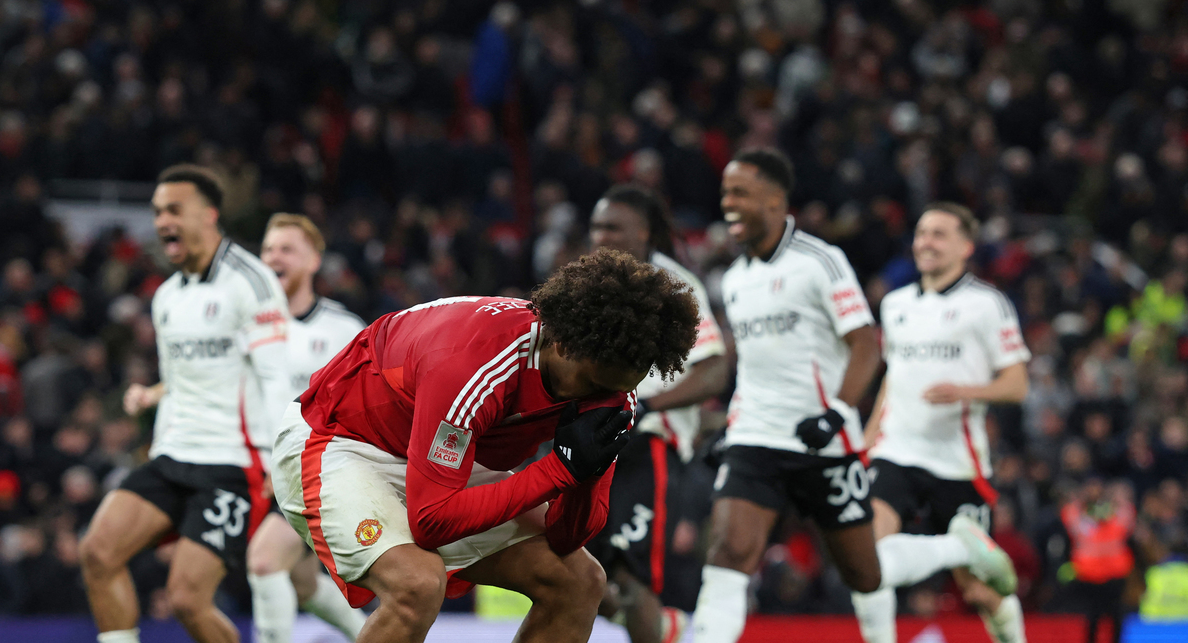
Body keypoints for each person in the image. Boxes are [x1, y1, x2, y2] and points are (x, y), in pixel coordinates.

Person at [272, 249, 701, 643]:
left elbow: (569, 536)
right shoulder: (475, 359)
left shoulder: (608, 385)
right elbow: (431, 521)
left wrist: (584, 478)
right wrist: (559, 472)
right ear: (562, 343)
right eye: (593, 385)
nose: (598, 401)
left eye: (621, 389)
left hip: (431, 454)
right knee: (417, 583)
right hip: (337, 440)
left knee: (579, 580)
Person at [78, 164, 293, 643]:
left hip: (234, 466)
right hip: (173, 456)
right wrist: (152, 400)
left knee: (186, 600)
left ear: (209, 216)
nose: (161, 222)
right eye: (156, 213)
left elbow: (275, 379)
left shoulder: (250, 283)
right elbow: (181, 381)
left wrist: (286, 466)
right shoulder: (167, 297)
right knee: (98, 552)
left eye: (174, 210)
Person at [693, 149, 885, 643]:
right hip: (757, 434)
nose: (728, 204)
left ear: (776, 201)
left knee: (864, 575)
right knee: (730, 551)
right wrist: (733, 426)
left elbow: (866, 344)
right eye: (724, 194)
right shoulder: (734, 280)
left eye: (740, 193)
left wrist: (837, 414)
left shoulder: (820, 261)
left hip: (824, 439)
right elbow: (755, 366)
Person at [854, 203, 1030, 643]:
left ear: (966, 247)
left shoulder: (986, 304)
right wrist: (868, 437)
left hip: (958, 463)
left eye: (938, 234)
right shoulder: (895, 305)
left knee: (979, 591)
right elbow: (894, 378)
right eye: (921, 233)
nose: (925, 242)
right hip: (896, 452)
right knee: (867, 561)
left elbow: (1017, 384)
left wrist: (966, 391)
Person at [585, 185, 728, 643]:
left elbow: (714, 368)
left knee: (631, 578)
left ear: (643, 232)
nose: (599, 236)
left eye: (612, 227)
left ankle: (656, 627)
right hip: (588, 438)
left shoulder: (674, 285)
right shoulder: (588, 284)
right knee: (575, 575)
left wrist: (646, 404)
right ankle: (666, 631)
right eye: (595, 227)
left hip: (648, 444)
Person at [246, 213, 368, 643]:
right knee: (301, 582)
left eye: (286, 249)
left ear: (314, 260)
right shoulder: (248, 327)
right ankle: (372, 635)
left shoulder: (344, 330)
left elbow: (364, 412)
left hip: (314, 472)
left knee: (264, 563)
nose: (273, 257)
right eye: (268, 249)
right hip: (256, 472)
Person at [1061, 477, 1136, 643]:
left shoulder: (1117, 513)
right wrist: (1082, 503)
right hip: (1089, 574)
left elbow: (1127, 517)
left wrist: (1116, 501)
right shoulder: (1079, 514)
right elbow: (1070, 517)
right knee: (1093, 616)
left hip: (1115, 573)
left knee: (1117, 615)